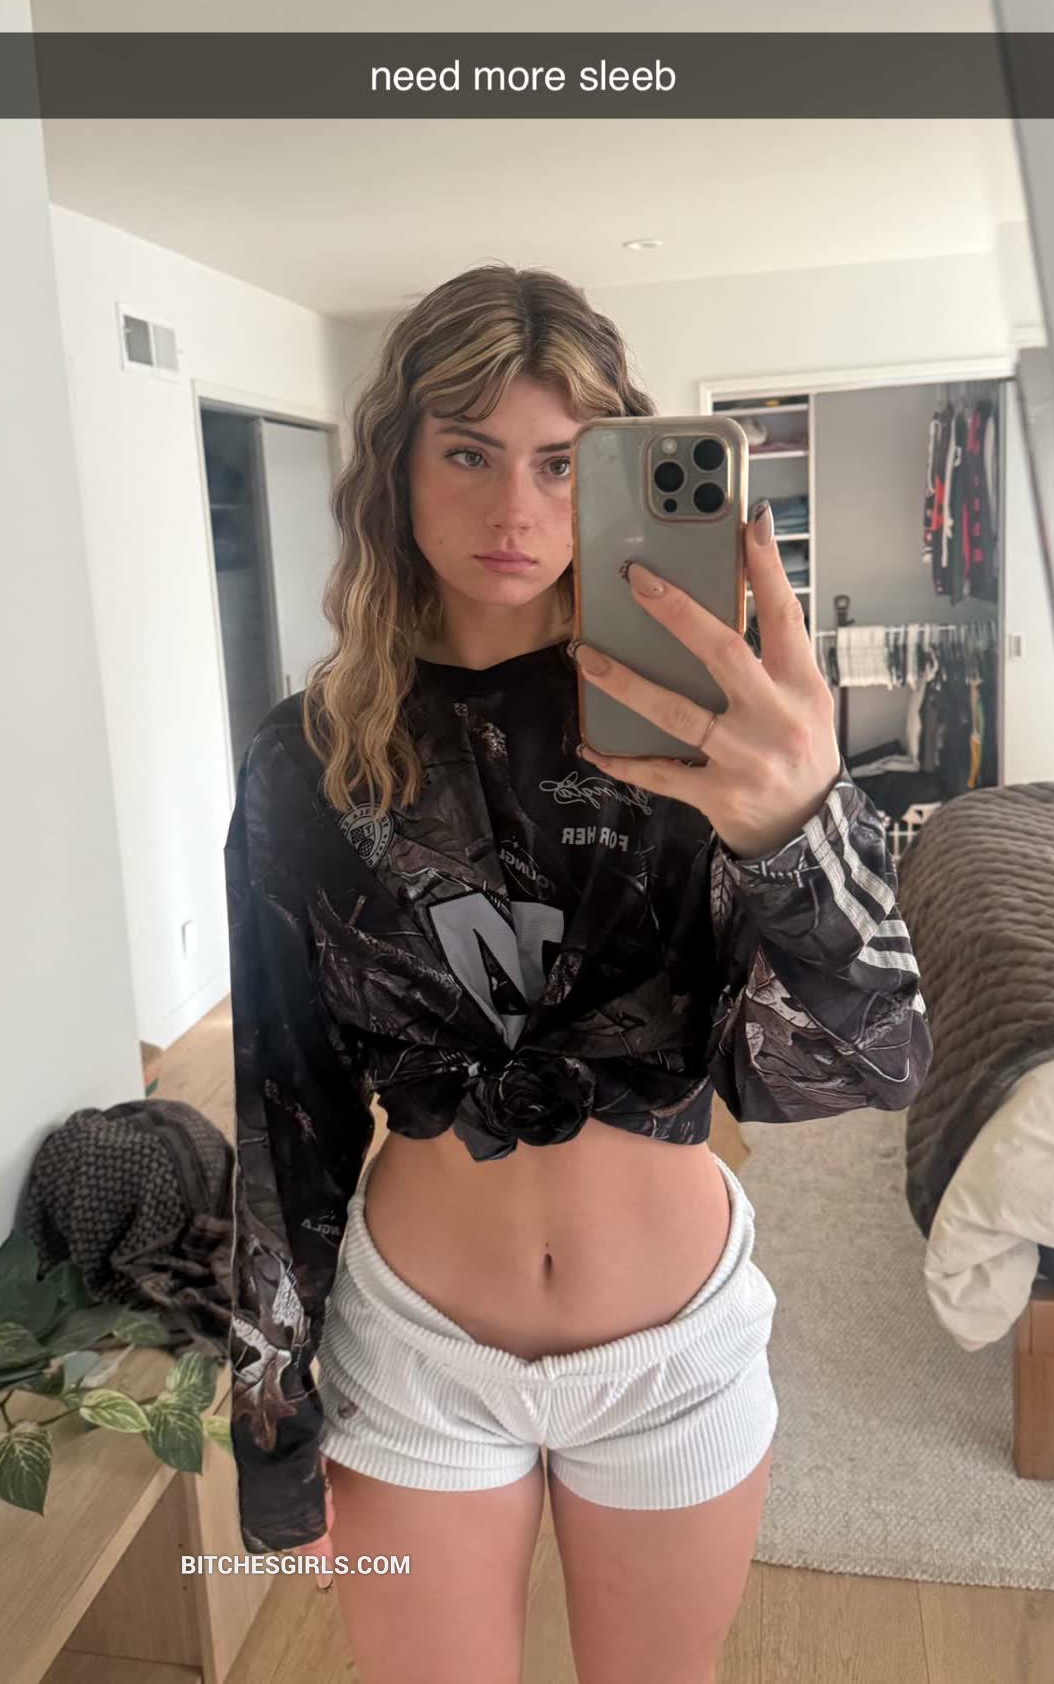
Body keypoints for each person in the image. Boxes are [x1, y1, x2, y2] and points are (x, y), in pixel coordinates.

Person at [225, 265, 931, 1684]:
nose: (514, 509)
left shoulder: (709, 734)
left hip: (672, 1356)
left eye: (560, 464)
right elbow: (283, 1100)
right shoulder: (309, 762)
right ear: (394, 469)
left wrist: (799, 825)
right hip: (413, 1354)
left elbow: (868, 1057)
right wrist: (269, 1413)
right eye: (467, 453)